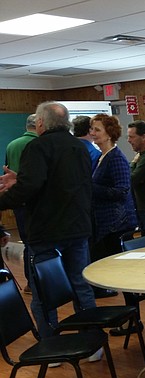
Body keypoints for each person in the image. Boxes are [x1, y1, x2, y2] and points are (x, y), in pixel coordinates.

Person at [0, 101, 98, 346]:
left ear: (41, 123)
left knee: (43, 291)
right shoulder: (80, 147)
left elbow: (30, 189)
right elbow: (62, 184)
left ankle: (50, 343)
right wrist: (21, 180)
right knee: (81, 285)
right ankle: (91, 340)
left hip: (46, 232)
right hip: (78, 228)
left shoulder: (37, 147)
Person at [88, 113, 138, 264]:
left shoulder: (116, 158)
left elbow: (122, 191)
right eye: (92, 129)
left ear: (109, 134)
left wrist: (90, 188)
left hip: (116, 225)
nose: (92, 133)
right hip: (104, 223)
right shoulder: (100, 157)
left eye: (97, 130)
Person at [4, 113, 37, 293]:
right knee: (39, 244)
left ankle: (30, 282)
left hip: (18, 201)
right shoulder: (39, 144)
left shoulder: (11, 145)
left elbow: (8, 170)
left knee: (26, 242)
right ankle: (41, 281)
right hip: (36, 202)